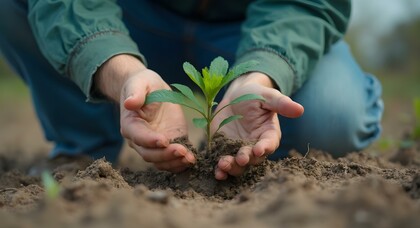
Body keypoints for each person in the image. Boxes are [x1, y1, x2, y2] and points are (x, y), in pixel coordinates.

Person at [0, 0, 383, 180]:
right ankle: (82, 144)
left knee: (335, 115)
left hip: (251, 27)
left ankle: (247, 158)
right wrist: (121, 70)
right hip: (130, 17)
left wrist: (261, 75)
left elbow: (309, 5)